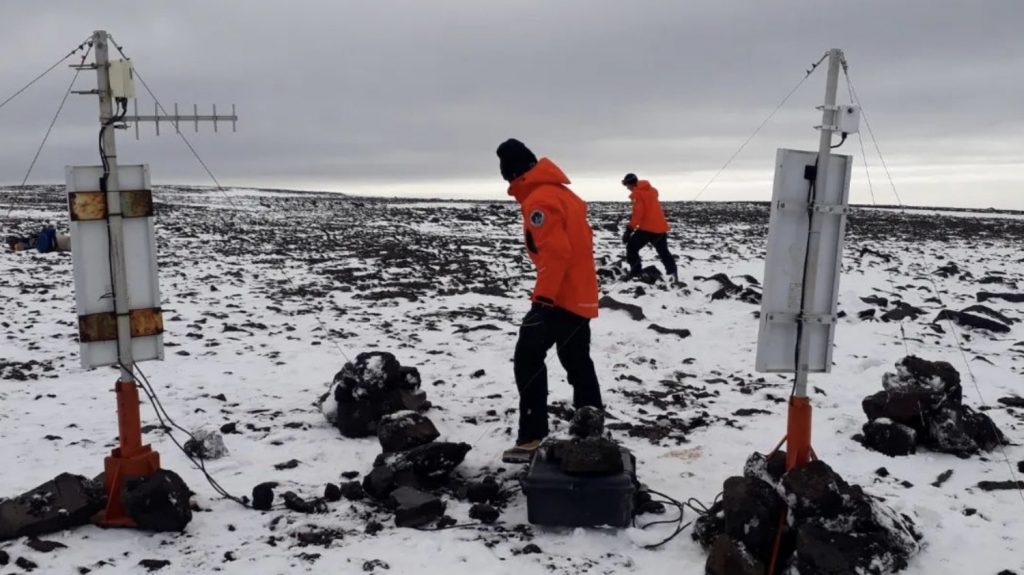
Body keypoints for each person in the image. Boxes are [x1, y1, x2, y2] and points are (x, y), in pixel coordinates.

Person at [496, 138, 603, 463]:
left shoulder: (539, 200)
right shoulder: (563, 194)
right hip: (580, 296)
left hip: (558, 298)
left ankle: (531, 436)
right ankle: (591, 430)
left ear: (511, 174)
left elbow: (556, 254)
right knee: (576, 360)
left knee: (527, 357)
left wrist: (542, 301)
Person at [621, 173, 677, 282]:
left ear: (631, 184)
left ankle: (636, 273)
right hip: (660, 227)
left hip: (647, 229)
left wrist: (629, 230)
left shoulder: (638, 194)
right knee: (664, 252)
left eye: (626, 185)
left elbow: (638, 213)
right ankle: (673, 273)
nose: (626, 188)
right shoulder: (651, 191)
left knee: (631, 248)